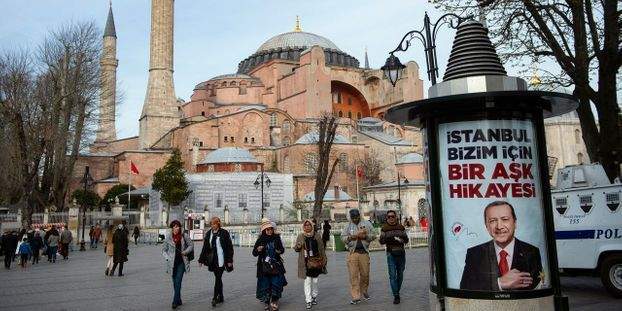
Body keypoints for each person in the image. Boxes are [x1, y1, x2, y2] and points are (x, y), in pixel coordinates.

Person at [460, 201, 543, 291]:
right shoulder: (475, 254)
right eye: (492, 221)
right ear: (487, 226)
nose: (499, 226)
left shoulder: (532, 252)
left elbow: (536, 288)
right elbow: (465, 288)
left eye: (505, 219)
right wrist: (499, 283)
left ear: (515, 223)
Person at [341, 209, 375, 305]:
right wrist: (351, 237)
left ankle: (364, 290)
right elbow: (342, 238)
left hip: (364, 253)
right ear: (351, 217)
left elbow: (374, 234)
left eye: (357, 217)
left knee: (365, 274)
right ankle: (356, 296)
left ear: (359, 216)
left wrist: (366, 236)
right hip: (353, 253)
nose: (355, 219)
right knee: (353, 275)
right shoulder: (348, 226)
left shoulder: (367, 224)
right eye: (353, 218)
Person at [198, 217, 234, 307]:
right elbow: (205, 248)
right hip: (212, 260)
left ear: (218, 224)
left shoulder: (224, 233)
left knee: (218, 278)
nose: (212, 225)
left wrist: (229, 260)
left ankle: (214, 298)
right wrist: (201, 260)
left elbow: (229, 247)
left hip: (221, 259)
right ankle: (221, 296)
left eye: (214, 224)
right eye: (211, 224)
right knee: (218, 278)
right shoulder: (209, 233)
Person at [253, 218, 287, 311]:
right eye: (267, 229)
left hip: (275, 265)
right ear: (264, 230)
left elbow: (282, 249)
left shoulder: (277, 238)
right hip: (263, 267)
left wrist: (279, 251)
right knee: (265, 285)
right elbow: (254, 253)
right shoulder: (260, 239)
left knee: (276, 283)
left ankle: (274, 301)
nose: (269, 231)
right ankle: (267, 302)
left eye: (271, 229)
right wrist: (258, 249)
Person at [294, 219, 327, 309]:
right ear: (303, 227)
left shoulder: (317, 235)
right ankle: (308, 300)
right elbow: (296, 249)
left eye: (309, 225)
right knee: (307, 282)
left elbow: (321, 249)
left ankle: (314, 296)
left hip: (316, 261)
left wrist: (324, 260)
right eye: (305, 225)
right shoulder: (300, 236)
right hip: (305, 262)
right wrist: (298, 246)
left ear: (312, 226)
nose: (307, 227)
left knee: (315, 281)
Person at [162, 220, 194, 309]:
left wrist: (185, 251)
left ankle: (174, 301)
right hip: (172, 264)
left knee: (178, 281)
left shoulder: (184, 235)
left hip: (181, 262)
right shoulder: (168, 237)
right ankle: (179, 299)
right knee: (174, 282)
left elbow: (191, 245)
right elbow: (164, 250)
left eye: (178, 226)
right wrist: (168, 258)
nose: (177, 228)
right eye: (175, 227)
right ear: (172, 228)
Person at [379, 210, 409, 304]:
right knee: (392, 275)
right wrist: (389, 239)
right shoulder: (384, 228)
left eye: (392, 216)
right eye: (389, 217)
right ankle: (396, 295)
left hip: (401, 252)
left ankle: (397, 290)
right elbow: (381, 241)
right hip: (390, 253)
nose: (391, 218)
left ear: (396, 217)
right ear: (387, 218)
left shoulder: (401, 227)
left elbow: (406, 240)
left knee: (400, 274)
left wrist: (401, 240)